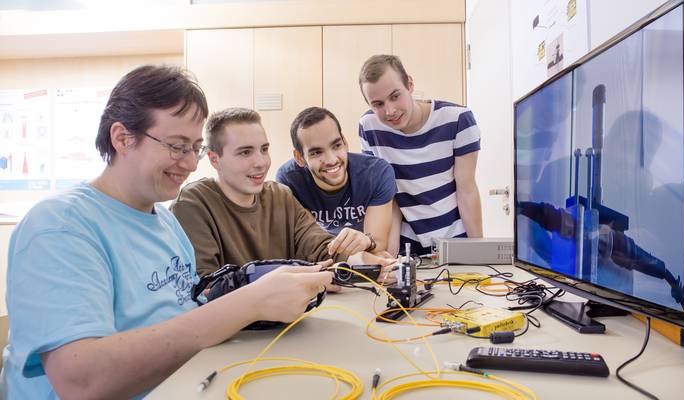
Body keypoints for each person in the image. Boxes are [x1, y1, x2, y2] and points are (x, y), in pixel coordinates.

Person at [1, 65, 333, 400]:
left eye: (195, 148)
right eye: (177, 146)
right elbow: (80, 381)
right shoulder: (60, 227)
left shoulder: (165, 222)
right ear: (122, 138)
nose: (190, 163)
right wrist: (250, 302)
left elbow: (188, 312)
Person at [170, 107, 393, 278]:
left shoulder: (280, 195)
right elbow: (204, 284)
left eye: (264, 149)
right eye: (245, 152)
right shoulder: (192, 204)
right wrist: (287, 280)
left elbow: (320, 246)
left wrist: (368, 262)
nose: (260, 162)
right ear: (214, 159)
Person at [357, 54, 483, 255]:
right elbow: (388, 194)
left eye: (395, 96)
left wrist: (479, 253)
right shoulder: (369, 127)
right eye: (378, 104)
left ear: (410, 84)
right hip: (408, 242)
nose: (390, 111)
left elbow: (466, 189)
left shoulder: (458, 119)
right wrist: (388, 251)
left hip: (454, 238)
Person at [276, 107, 397, 256]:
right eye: (316, 153)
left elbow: (377, 244)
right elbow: (308, 245)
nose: (332, 160)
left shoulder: (377, 172)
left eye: (336, 145)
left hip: (363, 257)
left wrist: (367, 241)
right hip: (325, 259)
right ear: (300, 158)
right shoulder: (289, 180)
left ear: (345, 142)